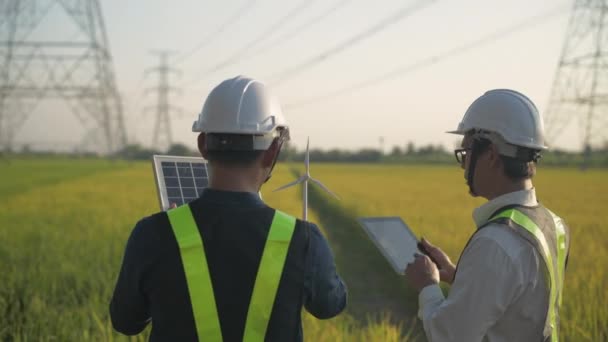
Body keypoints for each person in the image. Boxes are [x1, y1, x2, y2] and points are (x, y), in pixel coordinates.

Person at [110, 76, 347, 341]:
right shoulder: (304, 240)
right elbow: (330, 305)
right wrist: (314, 257)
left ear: (202, 146)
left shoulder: (152, 234)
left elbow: (126, 321)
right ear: (272, 151)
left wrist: (168, 238)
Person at [405, 89, 570, 342]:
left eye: (466, 154)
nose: (463, 165)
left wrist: (428, 285)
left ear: (491, 155)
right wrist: (455, 275)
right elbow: (522, 300)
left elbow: (448, 335)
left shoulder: (495, 243)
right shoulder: (555, 224)